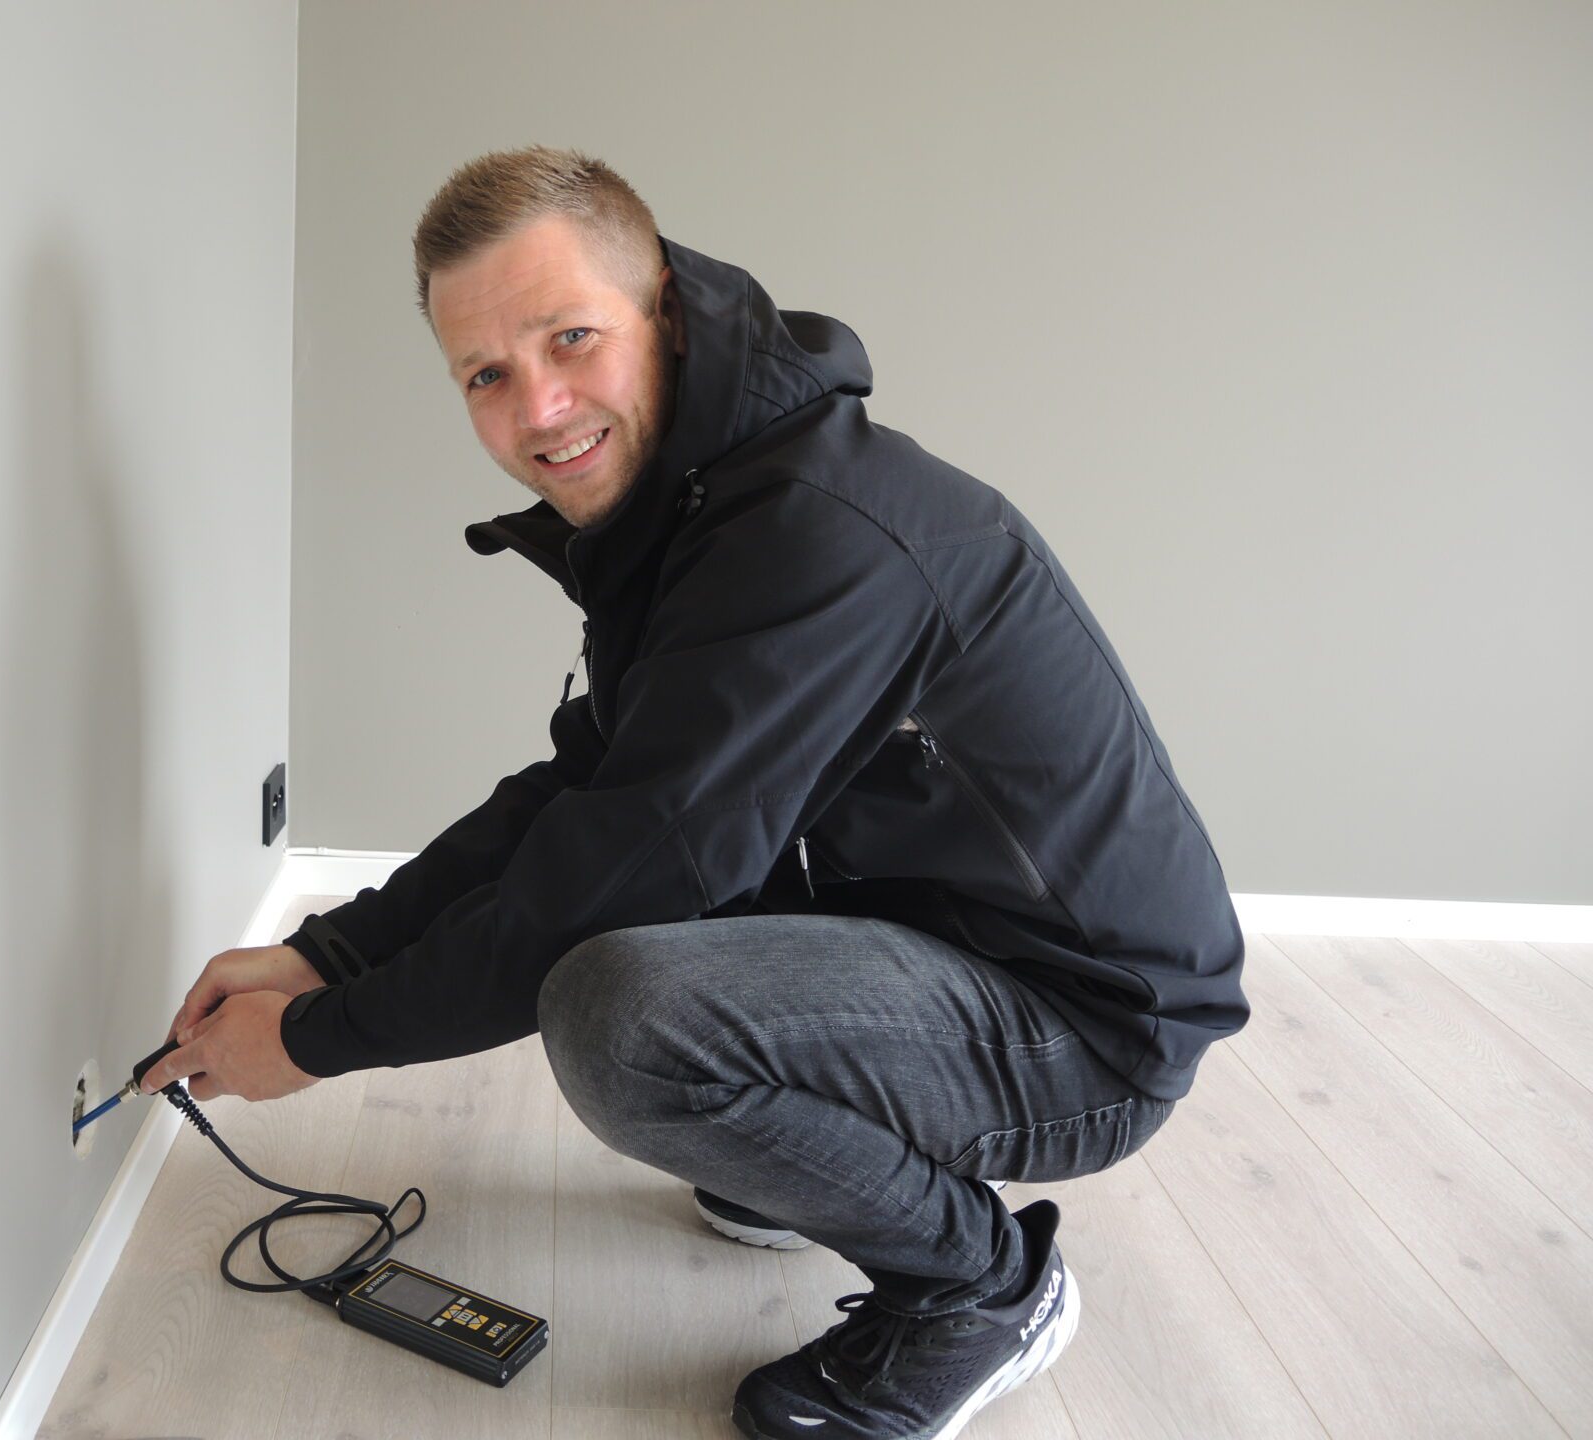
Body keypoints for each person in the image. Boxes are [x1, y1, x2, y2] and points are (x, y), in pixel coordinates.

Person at [142, 144, 1250, 1439]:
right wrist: (325, 954)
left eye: (571, 338)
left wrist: (315, 1041)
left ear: (663, 310)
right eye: (486, 375)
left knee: (621, 1015)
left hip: (1088, 1023)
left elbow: (618, 870)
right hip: (938, 930)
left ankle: (982, 1290)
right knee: (655, 897)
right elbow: (588, 786)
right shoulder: (697, 504)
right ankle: (808, 1153)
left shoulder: (814, 529)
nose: (539, 407)